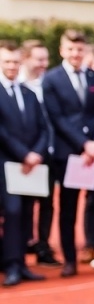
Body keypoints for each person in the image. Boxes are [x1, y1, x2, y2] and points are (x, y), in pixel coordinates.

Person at [41, 30, 94, 276]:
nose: (75, 54)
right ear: (62, 50)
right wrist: (83, 144)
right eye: (70, 49)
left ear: (85, 51)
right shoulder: (51, 79)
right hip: (70, 154)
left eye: (79, 49)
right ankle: (70, 260)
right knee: (68, 209)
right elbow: (57, 118)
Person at [1, 41, 50, 287]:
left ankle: (21, 263)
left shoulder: (30, 94)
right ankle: (10, 265)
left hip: (32, 166)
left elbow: (43, 128)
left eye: (15, 62)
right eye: (7, 61)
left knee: (27, 214)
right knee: (12, 212)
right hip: (6, 164)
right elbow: (2, 132)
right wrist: (24, 154)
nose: (12, 66)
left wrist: (37, 153)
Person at [18, 39, 56, 267]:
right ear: (26, 59)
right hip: (21, 156)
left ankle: (43, 245)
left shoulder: (49, 84)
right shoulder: (14, 84)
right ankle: (20, 245)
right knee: (21, 205)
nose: (43, 63)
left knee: (47, 201)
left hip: (46, 153)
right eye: (38, 59)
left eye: (45, 59)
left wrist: (42, 150)